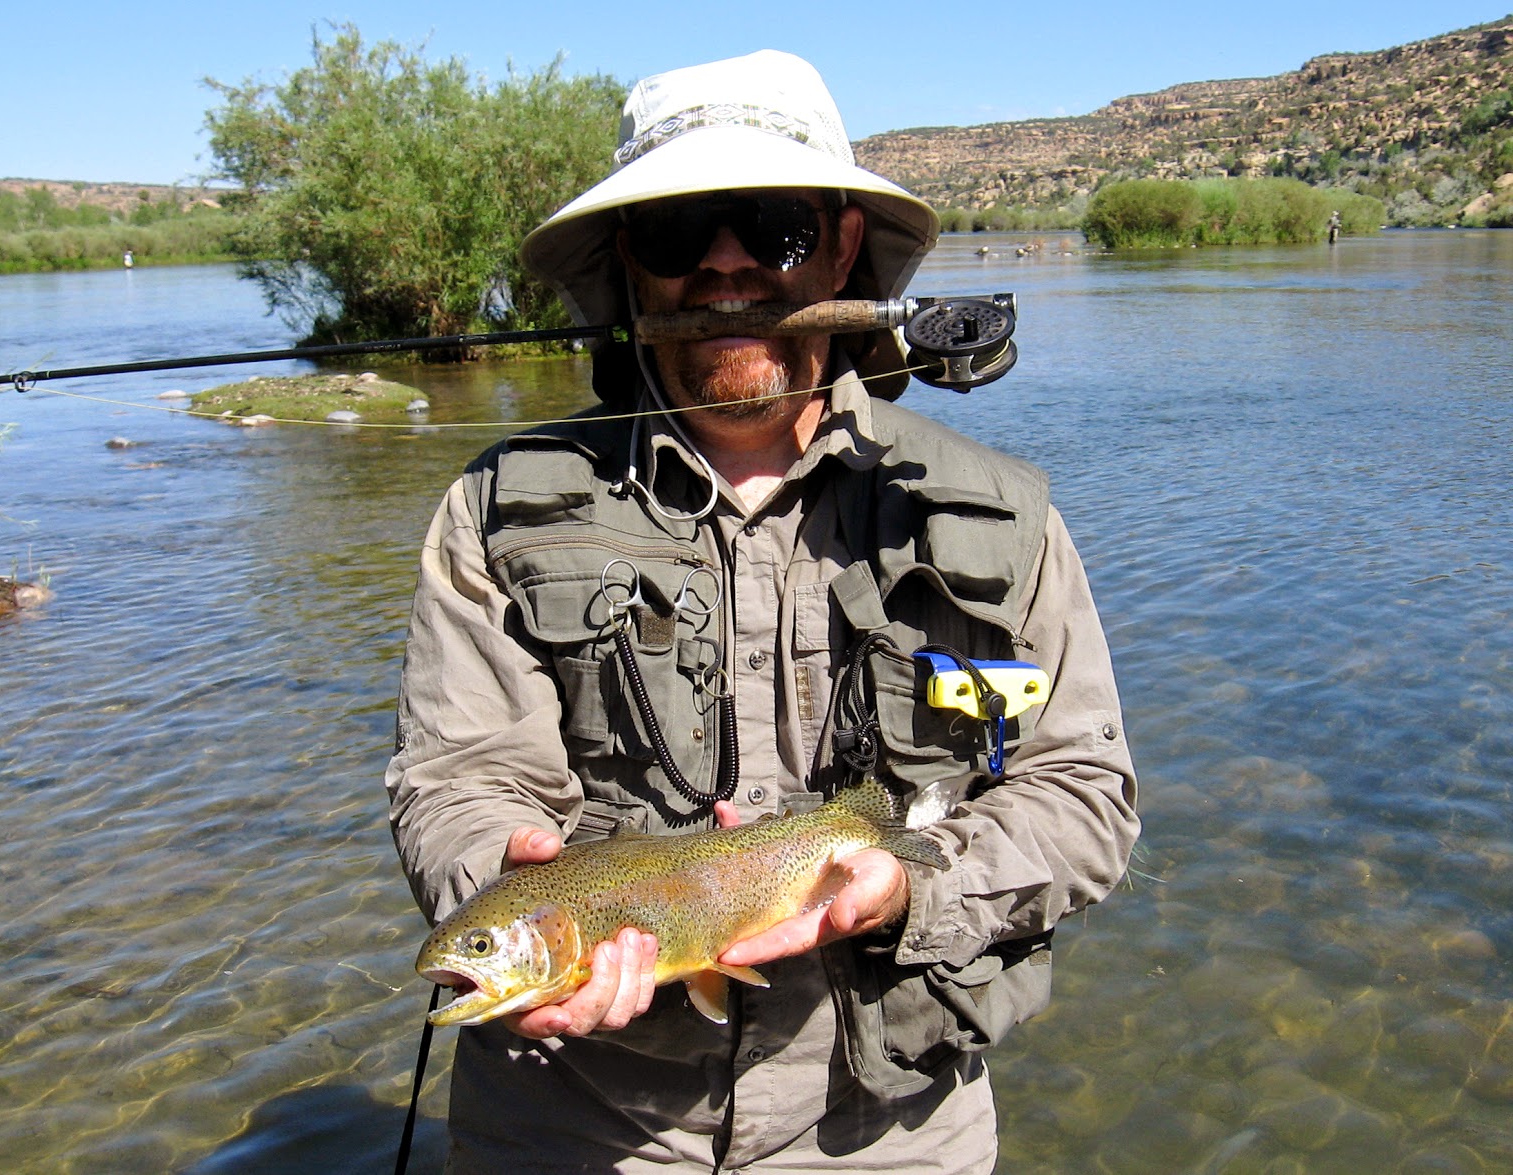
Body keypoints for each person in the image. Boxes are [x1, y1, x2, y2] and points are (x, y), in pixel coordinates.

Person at [385, 49, 1139, 1174]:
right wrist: (510, 885)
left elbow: (1083, 792)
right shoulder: (493, 512)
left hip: (891, 1130)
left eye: (772, 224)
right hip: (573, 1123)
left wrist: (911, 885)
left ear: (841, 245)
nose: (726, 263)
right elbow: (456, 776)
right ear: (630, 264)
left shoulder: (1000, 515)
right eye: (680, 231)